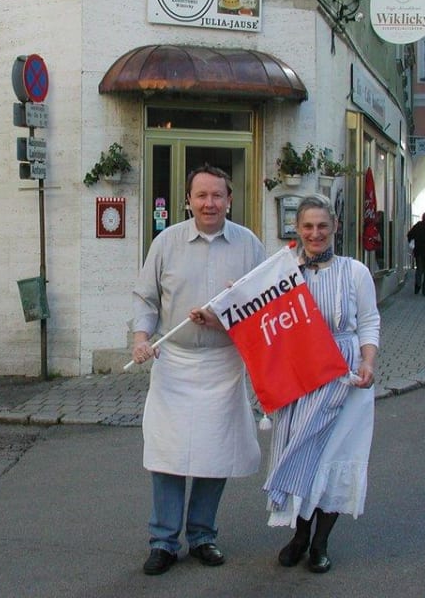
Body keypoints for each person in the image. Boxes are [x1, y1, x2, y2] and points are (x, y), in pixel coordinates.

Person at [130, 165, 266, 576]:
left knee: (215, 453)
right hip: (174, 362)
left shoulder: (249, 245)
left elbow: (263, 304)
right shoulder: (166, 242)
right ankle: (163, 541)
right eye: (201, 195)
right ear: (187, 199)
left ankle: (203, 535)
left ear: (230, 199)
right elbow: (146, 298)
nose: (210, 203)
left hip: (224, 364)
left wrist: (224, 320)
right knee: (168, 453)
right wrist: (141, 338)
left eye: (218, 195)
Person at [263, 194, 379, 574]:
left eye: (322, 226)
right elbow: (261, 315)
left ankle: (320, 542)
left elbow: (368, 322)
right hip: (301, 378)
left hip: (344, 377)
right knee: (299, 455)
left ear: (335, 229)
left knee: (334, 458)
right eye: (308, 227)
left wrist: (367, 362)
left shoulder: (355, 271)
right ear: (297, 229)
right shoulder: (283, 274)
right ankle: (298, 536)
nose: (315, 233)